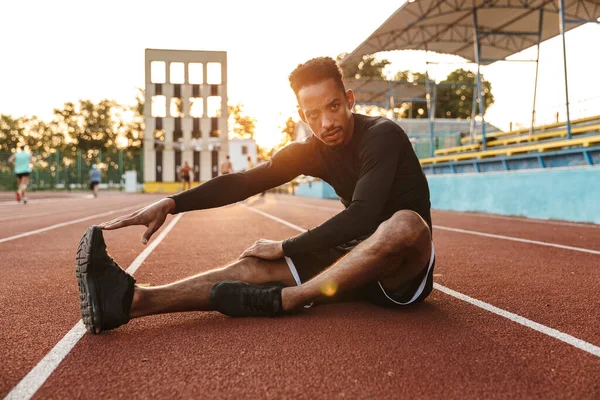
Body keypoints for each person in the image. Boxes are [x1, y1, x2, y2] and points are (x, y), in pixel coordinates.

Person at [75, 56, 434, 334]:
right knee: (253, 268)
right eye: (313, 114)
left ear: (349, 99)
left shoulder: (382, 135)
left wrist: (288, 246)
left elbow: (364, 214)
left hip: (400, 271)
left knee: (405, 223)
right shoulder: (309, 150)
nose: (326, 123)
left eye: (334, 107)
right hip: (350, 262)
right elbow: (244, 182)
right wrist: (172, 203)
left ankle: (291, 299)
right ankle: (129, 301)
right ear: (301, 115)